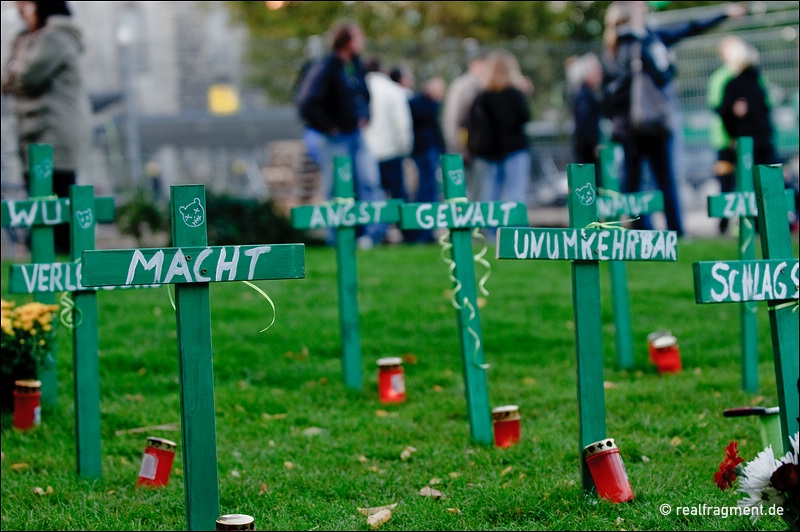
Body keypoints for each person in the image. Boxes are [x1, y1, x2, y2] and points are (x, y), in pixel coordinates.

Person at [601, 1, 746, 238]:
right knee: (663, 178)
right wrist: (666, 64)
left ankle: (641, 229)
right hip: (651, 123)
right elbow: (663, 72)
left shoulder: (612, 48)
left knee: (633, 181)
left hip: (628, 127)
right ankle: (675, 230)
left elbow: (609, 94)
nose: (645, 10)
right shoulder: (645, 41)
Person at [2, 0, 91, 255]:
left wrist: (17, 68)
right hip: (30, 133)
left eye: (25, 3)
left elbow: (28, 77)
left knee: (58, 196)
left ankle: (63, 257)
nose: (19, 9)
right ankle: (44, 256)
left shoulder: (57, 37)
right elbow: (6, 80)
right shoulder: (24, 38)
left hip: (57, 132)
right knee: (37, 199)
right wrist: (15, 69)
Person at [296, 20, 386, 248]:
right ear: (346, 41)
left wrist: (365, 115)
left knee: (369, 181)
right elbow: (307, 102)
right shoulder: (327, 67)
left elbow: (364, 95)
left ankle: (372, 234)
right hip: (336, 139)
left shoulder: (356, 66)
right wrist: (329, 126)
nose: (362, 42)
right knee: (336, 188)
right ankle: (336, 239)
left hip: (356, 134)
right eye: (358, 37)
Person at [707, 36, 774, 234]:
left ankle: (751, 224)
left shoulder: (737, 81)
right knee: (731, 183)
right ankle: (728, 225)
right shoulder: (724, 78)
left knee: (748, 184)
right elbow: (719, 108)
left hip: (740, 141)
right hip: (731, 141)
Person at [470, 49, 532, 206]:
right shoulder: (515, 94)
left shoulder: (483, 96)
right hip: (515, 149)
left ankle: (491, 230)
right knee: (515, 194)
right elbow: (524, 118)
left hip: (492, 152)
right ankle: (515, 229)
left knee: (492, 195)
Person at [362, 58, 414, 204]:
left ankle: (378, 226)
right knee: (398, 197)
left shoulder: (359, 87)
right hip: (391, 152)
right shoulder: (393, 89)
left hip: (367, 153)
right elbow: (402, 123)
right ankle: (403, 226)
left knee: (372, 198)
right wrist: (406, 147)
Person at [442, 51, 488, 201]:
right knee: (463, 190)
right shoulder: (462, 86)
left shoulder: (485, 85)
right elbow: (451, 118)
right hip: (466, 145)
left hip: (479, 146)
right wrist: (456, 146)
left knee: (479, 188)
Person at [408, 76, 447, 243]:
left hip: (430, 151)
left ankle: (428, 231)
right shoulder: (420, 103)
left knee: (431, 190)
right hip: (424, 151)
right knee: (427, 190)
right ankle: (423, 231)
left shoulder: (427, 105)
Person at [566, 53, 603, 186]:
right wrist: (594, 144)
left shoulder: (584, 93)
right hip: (586, 148)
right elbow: (585, 122)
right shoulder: (584, 94)